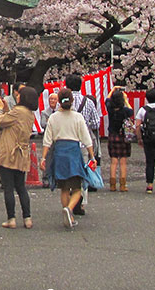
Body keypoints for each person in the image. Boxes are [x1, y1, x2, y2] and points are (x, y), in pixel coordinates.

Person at [40, 88, 95, 228]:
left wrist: (43, 158)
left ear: (58, 101)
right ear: (72, 101)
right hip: (73, 153)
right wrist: (92, 156)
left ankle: (68, 214)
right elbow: (86, 139)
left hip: (59, 153)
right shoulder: (77, 117)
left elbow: (47, 140)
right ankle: (69, 209)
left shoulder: (53, 118)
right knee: (77, 188)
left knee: (64, 188)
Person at [0, 86, 37, 229]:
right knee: (21, 187)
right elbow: (11, 120)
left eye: (19, 95)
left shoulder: (17, 111)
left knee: (8, 187)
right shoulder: (30, 114)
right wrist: (6, 109)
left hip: (8, 152)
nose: (17, 96)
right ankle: (27, 217)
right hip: (22, 153)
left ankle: (11, 218)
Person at [65, 74, 100, 215]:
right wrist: (85, 125)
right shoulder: (88, 102)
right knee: (82, 173)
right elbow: (97, 122)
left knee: (67, 173)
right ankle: (81, 202)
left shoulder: (65, 101)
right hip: (83, 144)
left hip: (67, 143)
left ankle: (68, 201)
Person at [105, 87, 134, 192]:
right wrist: (126, 100)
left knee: (113, 161)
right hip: (123, 137)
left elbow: (107, 100)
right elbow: (131, 111)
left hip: (112, 135)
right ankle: (123, 185)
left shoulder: (110, 109)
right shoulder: (125, 111)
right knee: (123, 161)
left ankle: (112, 185)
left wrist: (112, 89)